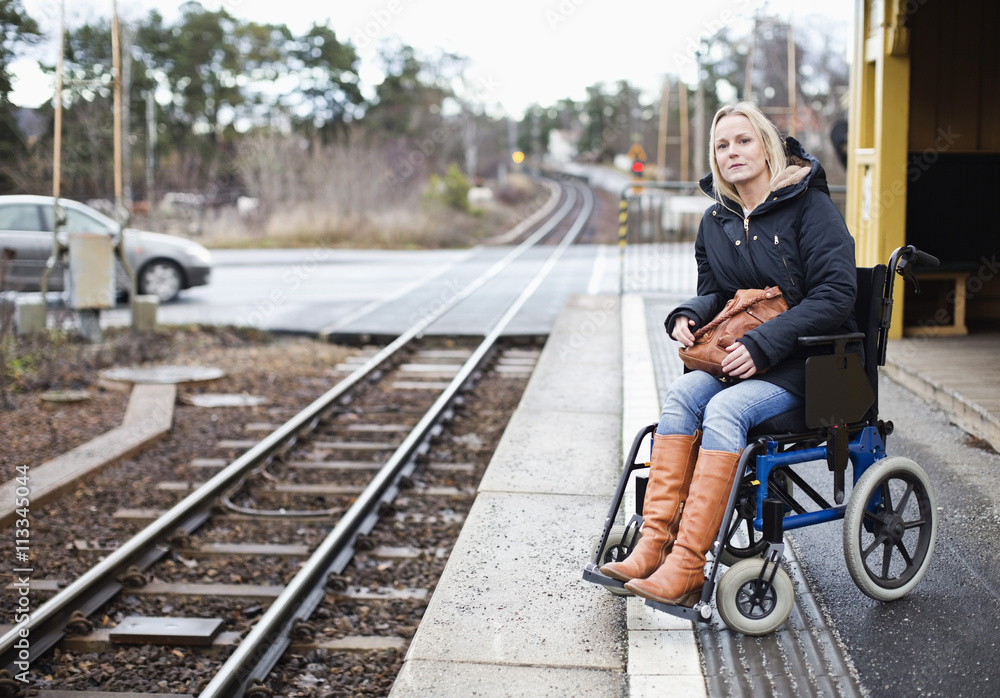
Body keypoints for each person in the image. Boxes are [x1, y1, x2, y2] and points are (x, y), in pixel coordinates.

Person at [600, 101, 859, 606]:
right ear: (715, 159)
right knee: (680, 396)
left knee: (723, 409)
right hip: (742, 358)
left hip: (812, 363)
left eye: (743, 140)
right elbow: (716, 292)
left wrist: (765, 344)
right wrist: (688, 314)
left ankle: (690, 566)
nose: (732, 151)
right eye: (722, 145)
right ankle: (654, 546)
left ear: (766, 147)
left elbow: (836, 294)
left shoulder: (811, 208)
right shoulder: (716, 220)